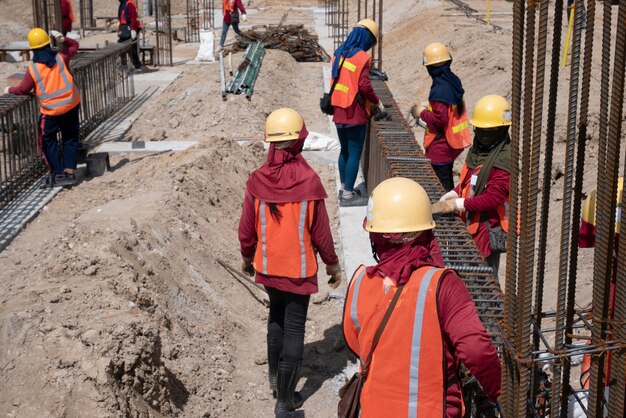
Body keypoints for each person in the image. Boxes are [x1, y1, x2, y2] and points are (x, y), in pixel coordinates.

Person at [342, 177, 501, 417]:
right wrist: (499, 392)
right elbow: (476, 350)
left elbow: (357, 343)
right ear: (424, 231)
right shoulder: (442, 285)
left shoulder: (360, 281)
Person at [238, 108, 342, 417]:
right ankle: (284, 402)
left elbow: (246, 229)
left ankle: (275, 380)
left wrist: (247, 257)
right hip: (298, 273)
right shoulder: (309, 182)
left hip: (268, 268)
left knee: (276, 319)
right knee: (294, 330)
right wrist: (332, 266)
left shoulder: (257, 181)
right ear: (298, 141)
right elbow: (321, 234)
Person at [432, 94, 511, 277]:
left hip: (488, 228)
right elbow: (469, 180)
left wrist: (459, 204)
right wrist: (454, 192)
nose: (483, 135)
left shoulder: (503, 161)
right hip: (470, 225)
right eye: (481, 130)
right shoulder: (478, 150)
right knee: (467, 275)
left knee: (484, 278)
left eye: (489, 131)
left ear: (501, 130)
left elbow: (493, 198)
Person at [4, 28, 80, 187]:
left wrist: (8, 90)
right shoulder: (61, 57)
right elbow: (74, 45)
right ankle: (69, 172)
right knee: (70, 138)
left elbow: (23, 89)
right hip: (71, 105)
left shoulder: (33, 69)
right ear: (48, 44)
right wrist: (63, 40)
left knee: (47, 141)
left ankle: (58, 174)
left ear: (33, 50)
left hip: (51, 112)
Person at [331, 19, 383, 207]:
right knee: (354, 153)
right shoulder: (362, 57)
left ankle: (345, 186)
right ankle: (347, 195)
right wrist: (377, 101)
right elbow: (363, 85)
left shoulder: (339, 53)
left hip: (338, 107)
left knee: (344, 150)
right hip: (354, 110)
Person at [412, 42, 471, 192]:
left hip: (441, 145)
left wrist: (421, 113)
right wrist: (430, 104)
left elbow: (440, 120)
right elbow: (447, 107)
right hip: (451, 143)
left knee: (441, 184)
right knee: (446, 178)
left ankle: (446, 213)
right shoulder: (452, 80)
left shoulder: (439, 88)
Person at [117, 0, 143, 73]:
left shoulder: (129, 3)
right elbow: (120, 19)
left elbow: (133, 17)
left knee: (132, 48)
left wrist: (133, 30)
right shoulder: (122, 4)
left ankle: (137, 67)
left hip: (131, 28)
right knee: (120, 45)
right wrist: (119, 29)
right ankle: (124, 65)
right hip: (124, 28)